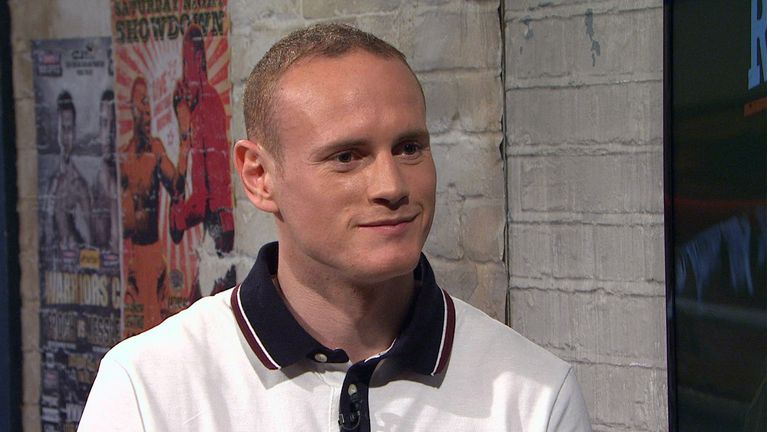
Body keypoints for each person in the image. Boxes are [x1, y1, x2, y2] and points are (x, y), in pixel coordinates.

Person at [79, 24, 591, 431]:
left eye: (409, 148)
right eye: (347, 156)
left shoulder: (534, 396)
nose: (392, 185)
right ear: (259, 177)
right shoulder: (149, 387)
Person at [170, 24, 236, 298]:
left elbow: (203, 197)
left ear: (198, 60)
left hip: (218, 231)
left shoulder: (204, 107)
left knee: (200, 308)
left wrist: (179, 218)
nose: (184, 74)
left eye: (186, 63)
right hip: (219, 229)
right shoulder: (208, 101)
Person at [119, 76, 184, 333]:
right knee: (135, 335)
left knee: (162, 331)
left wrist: (185, 146)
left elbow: (176, 185)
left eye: (149, 104)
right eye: (142, 103)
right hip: (135, 258)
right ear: (132, 108)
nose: (147, 111)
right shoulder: (125, 158)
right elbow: (122, 221)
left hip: (155, 254)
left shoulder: (156, 150)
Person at [43, 91, 92, 254]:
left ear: (75, 132)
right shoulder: (50, 182)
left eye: (69, 129)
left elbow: (90, 241)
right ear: (56, 131)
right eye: (62, 129)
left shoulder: (80, 186)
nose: (66, 136)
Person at [90, 89, 120, 253]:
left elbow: (116, 243)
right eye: (103, 123)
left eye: (113, 125)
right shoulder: (95, 183)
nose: (108, 134)